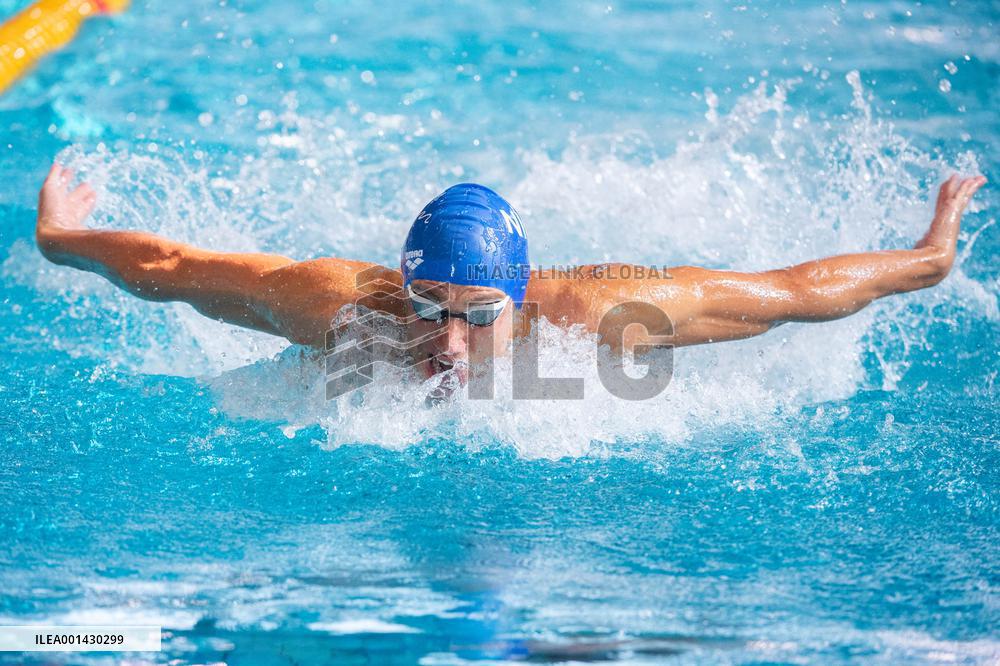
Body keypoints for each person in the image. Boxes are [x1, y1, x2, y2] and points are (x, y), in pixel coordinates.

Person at [35, 162, 986, 387]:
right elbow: (173, 268)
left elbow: (794, 292)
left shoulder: (601, 315)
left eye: (478, 314)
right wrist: (59, 239)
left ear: (520, 298)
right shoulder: (336, 305)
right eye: (426, 307)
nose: (445, 344)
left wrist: (927, 257)